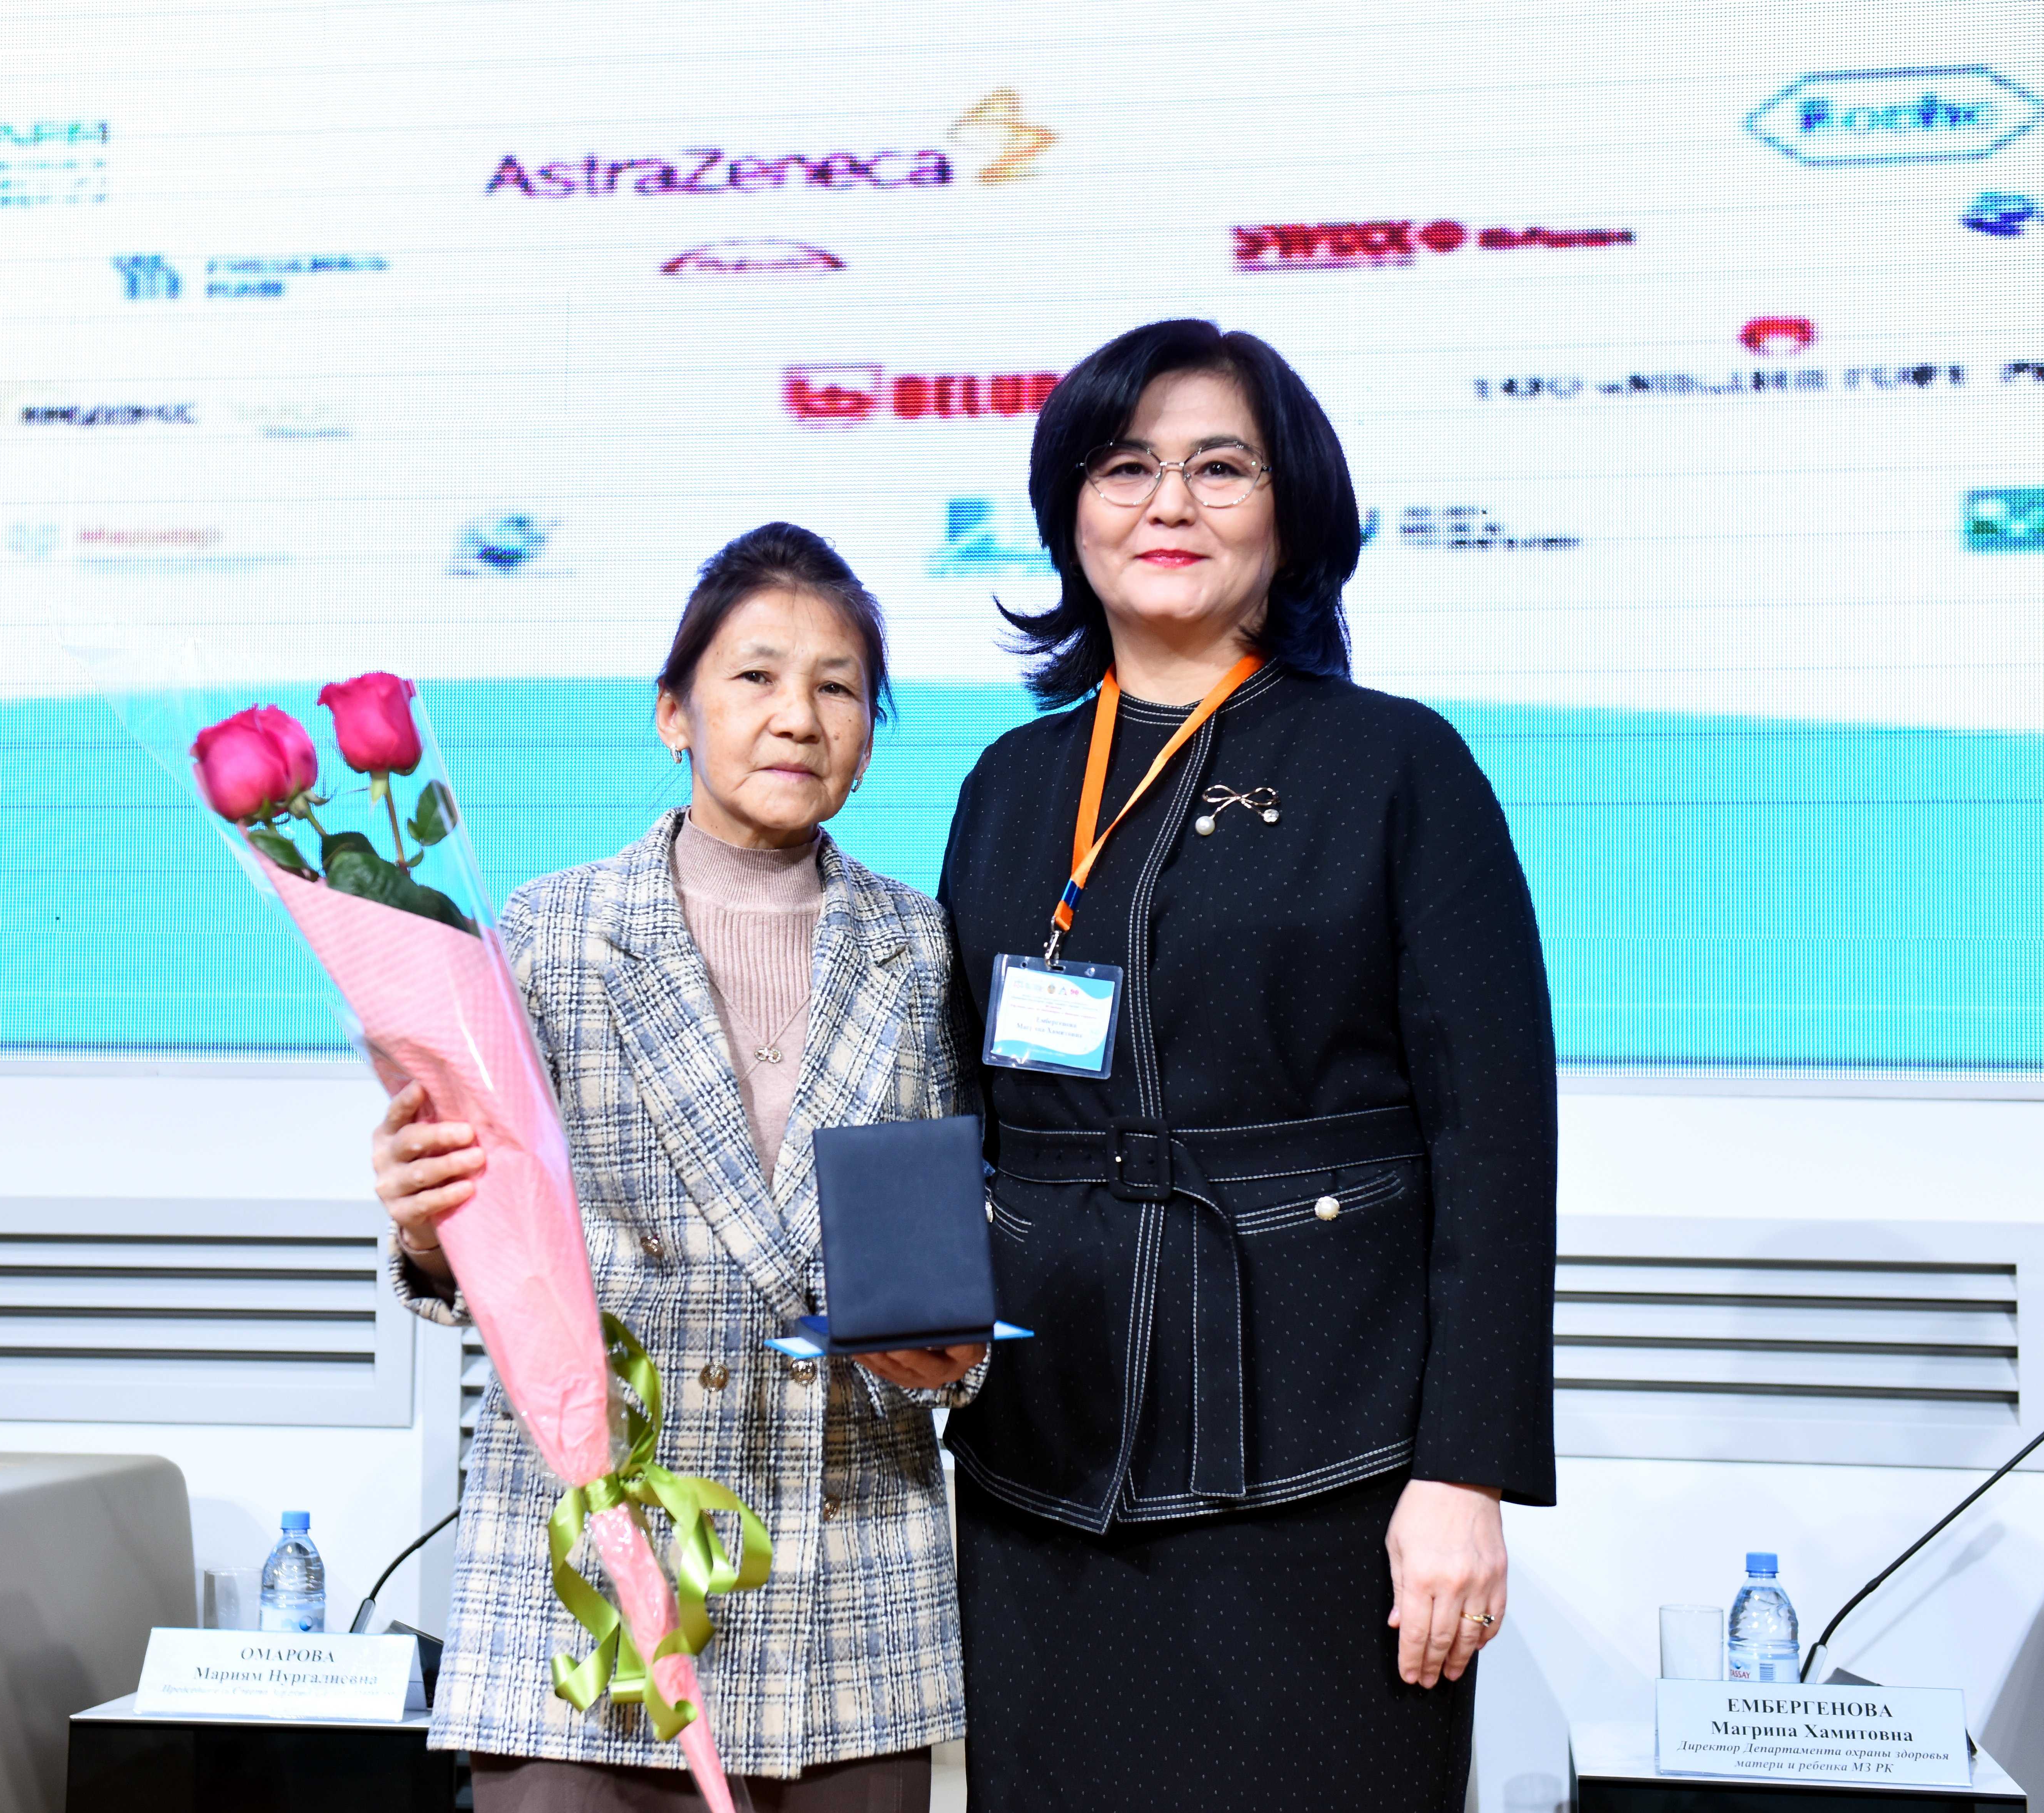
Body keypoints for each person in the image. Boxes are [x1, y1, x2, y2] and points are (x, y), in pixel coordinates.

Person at [937, 320, 1559, 1811]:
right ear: (1069, 512)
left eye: (1220, 467)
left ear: (1294, 514)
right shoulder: (1009, 783)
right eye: (1125, 467)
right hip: (1044, 1470)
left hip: (1326, 1465)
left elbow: (1495, 1141)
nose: (1169, 502)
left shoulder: (1398, 765)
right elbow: (959, 1112)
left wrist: (1462, 1473)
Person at [374, 522, 982, 1813]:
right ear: (673, 713)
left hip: (851, 1583)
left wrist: (954, 1354)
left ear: (869, 736)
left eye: (837, 687)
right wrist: (427, 1222)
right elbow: (478, 1242)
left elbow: (956, 1226)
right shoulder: (550, 929)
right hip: (595, 1574)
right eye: (755, 676)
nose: (797, 715)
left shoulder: (923, 946)